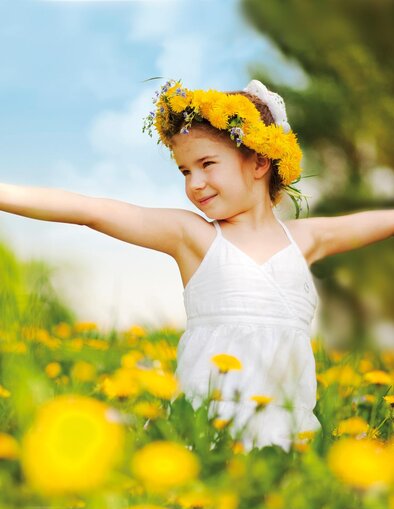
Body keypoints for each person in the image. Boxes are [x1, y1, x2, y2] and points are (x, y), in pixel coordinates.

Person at [1, 78, 392, 453]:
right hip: (209, 433)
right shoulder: (193, 236)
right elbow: (91, 211)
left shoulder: (303, 239)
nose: (195, 183)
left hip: (290, 435)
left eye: (207, 164)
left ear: (258, 162)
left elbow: (378, 222)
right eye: (185, 171)